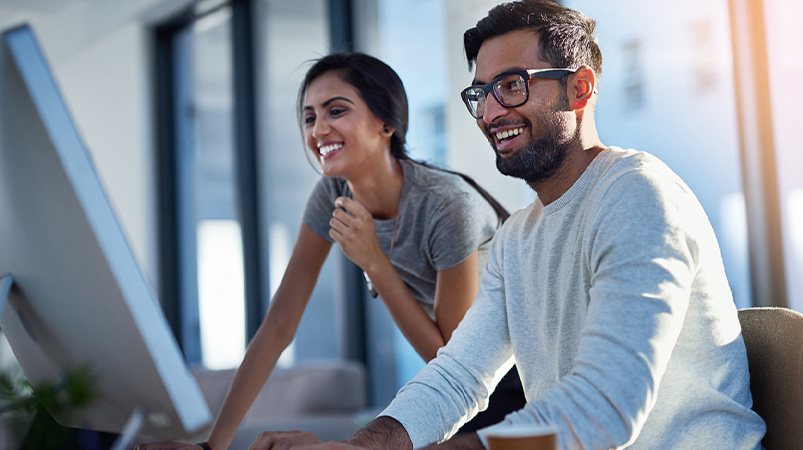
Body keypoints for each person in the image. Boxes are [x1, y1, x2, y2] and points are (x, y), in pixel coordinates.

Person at [248, 1, 768, 449]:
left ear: (580, 89)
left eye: (512, 86)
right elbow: (456, 377)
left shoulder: (636, 194)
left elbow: (603, 408)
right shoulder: (517, 237)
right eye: (481, 94)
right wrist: (358, 445)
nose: (491, 111)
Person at [136, 53, 526, 450]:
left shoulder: (447, 204)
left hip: (517, 379)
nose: (319, 129)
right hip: (455, 392)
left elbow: (452, 362)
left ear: (386, 123)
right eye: (309, 117)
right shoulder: (331, 194)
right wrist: (211, 446)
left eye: (336, 111)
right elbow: (279, 326)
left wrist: (373, 261)